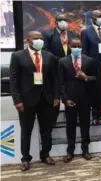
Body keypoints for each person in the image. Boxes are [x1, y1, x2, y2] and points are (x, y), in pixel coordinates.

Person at [10, 31, 59, 171]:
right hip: (26, 100)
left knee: (47, 130)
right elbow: (14, 80)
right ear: (28, 40)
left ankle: (46, 155)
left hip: (47, 99)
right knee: (26, 130)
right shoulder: (17, 56)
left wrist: (56, 97)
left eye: (41, 38)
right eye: (36, 38)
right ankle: (25, 159)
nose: (39, 40)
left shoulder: (49, 56)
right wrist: (17, 100)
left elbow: (55, 78)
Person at [58, 38, 96, 162]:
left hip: (85, 98)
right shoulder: (62, 61)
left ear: (82, 47)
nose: (76, 48)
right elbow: (61, 83)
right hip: (70, 99)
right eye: (74, 46)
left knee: (85, 125)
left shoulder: (89, 61)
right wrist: (65, 99)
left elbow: (95, 78)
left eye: (79, 46)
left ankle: (85, 150)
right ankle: (70, 151)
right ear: (69, 47)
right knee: (70, 126)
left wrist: (86, 78)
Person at [42, 13, 79, 127]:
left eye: (65, 20)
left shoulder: (73, 34)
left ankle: (73, 117)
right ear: (55, 22)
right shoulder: (48, 34)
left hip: (69, 68)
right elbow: (45, 50)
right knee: (55, 93)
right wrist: (59, 60)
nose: (63, 22)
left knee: (71, 91)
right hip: (54, 67)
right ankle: (53, 119)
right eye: (60, 20)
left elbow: (77, 49)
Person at [81, 10, 101, 124]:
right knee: (95, 90)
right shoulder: (86, 32)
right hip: (93, 66)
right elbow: (84, 51)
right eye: (99, 16)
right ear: (93, 18)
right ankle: (95, 115)